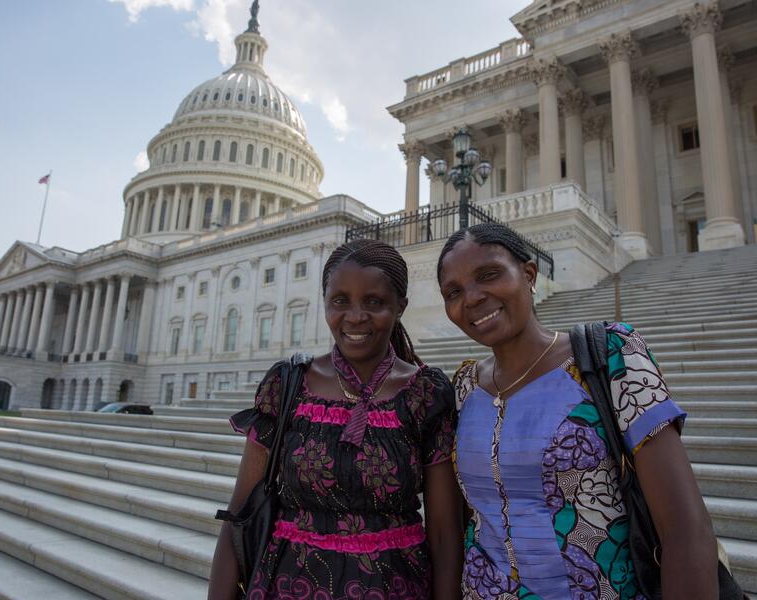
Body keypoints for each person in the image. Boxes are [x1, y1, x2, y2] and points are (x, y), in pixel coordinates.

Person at [436, 222, 718, 599]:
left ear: (529, 274)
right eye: (453, 292)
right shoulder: (464, 387)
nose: (471, 298)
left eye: (488, 275)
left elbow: (685, 527)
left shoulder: (613, 356)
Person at [208, 239, 463, 600]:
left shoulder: (426, 394)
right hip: (289, 585)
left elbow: (444, 531)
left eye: (374, 302)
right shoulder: (287, 384)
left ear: (400, 307)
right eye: (340, 301)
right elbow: (239, 512)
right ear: (324, 302)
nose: (355, 316)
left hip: (395, 587)